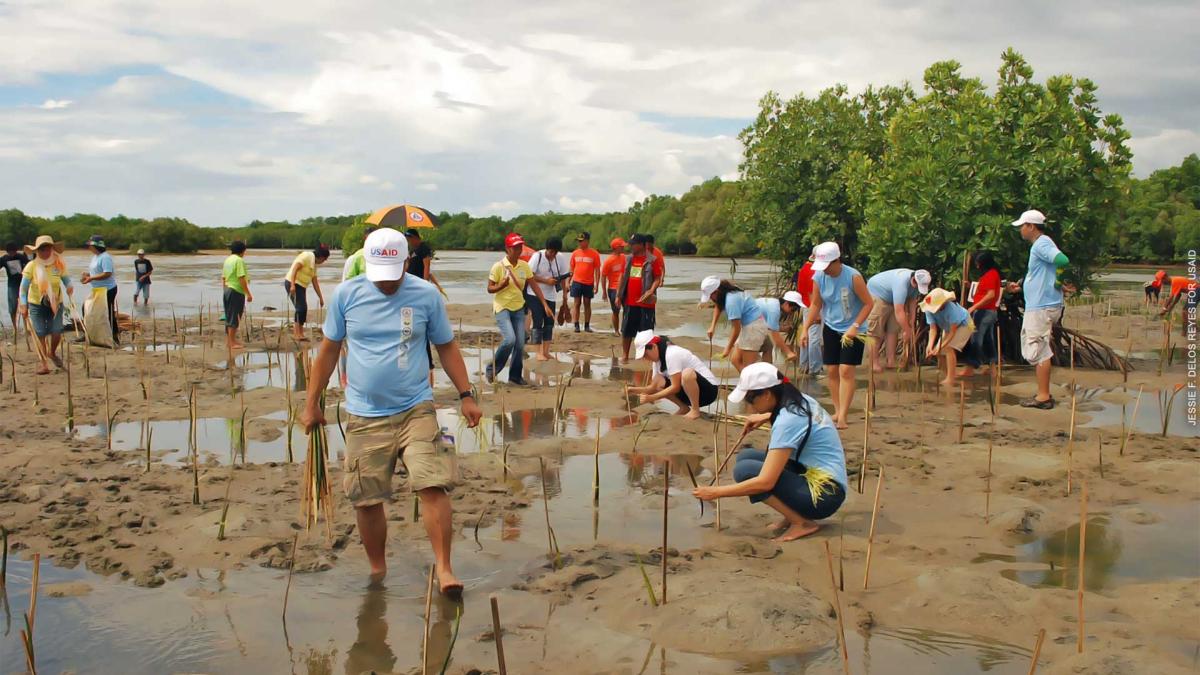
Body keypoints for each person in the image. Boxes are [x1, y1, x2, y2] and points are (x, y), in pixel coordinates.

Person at [300, 227, 482, 593]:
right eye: (379, 276)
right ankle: (377, 570)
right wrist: (311, 404)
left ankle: (445, 570)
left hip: (416, 407)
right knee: (366, 499)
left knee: (432, 485)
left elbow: (446, 346)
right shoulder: (347, 295)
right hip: (364, 415)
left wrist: (466, 394)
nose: (386, 284)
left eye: (393, 275)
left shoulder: (426, 295)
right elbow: (329, 350)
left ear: (405, 264)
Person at [692, 362, 848, 542]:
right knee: (746, 457)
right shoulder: (799, 399)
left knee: (746, 471)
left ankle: (801, 522)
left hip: (824, 495)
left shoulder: (787, 421)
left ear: (766, 394)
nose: (749, 406)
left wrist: (715, 493)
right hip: (821, 478)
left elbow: (765, 483)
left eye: (751, 400)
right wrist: (766, 416)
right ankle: (791, 514)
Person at [798, 241, 873, 429]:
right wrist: (805, 328)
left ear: (836, 261)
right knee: (831, 370)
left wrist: (855, 326)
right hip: (831, 325)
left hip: (854, 329)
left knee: (846, 370)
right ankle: (837, 410)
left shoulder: (853, 277)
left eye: (827, 266)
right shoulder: (819, 277)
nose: (824, 270)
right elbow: (816, 304)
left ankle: (843, 416)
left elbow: (868, 303)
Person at [1006, 209, 1070, 409]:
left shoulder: (1041, 243)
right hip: (1041, 304)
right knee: (1035, 347)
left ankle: (1043, 397)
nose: (1020, 231)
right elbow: (1041, 272)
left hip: (1042, 306)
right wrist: (1022, 285)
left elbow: (1062, 261)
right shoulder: (1042, 244)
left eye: (1022, 227)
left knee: (1037, 350)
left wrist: (1059, 282)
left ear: (1031, 226)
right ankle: (1043, 394)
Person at [486, 233, 542, 385]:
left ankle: (515, 376)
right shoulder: (498, 266)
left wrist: (543, 304)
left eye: (520, 247)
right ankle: (492, 369)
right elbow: (490, 288)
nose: (518, 250)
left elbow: (534, 285)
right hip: (502, 307)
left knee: (519, 343)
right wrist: (501, 286)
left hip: (518, 307)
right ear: (507, 249)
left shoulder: (524, 265)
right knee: (510, 339)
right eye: (515, 248)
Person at [628, 330, 720, 419]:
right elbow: (653, 387)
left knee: (687, 374)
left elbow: (676, 387)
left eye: (645, 355)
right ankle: (684, 408)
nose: (646, 359)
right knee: (658, 380)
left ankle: (695, 411)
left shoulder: (672, 354)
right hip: (689, 393)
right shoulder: (657, 362)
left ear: (654, 347)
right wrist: (633, 390)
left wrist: (652, 397)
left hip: (708, 392)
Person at [17, 235, 72, 374]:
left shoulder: (58, 264)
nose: (45, 252)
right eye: (41, 249)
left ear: (52, 249)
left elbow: (66, 280)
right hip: (36, 303)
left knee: (57, 331)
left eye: (47, 248)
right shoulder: (32, 265)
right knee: (40, 333)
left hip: (56, 303)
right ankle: (44, 364)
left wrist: (70, 287)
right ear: (37, 251)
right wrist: (23, 305)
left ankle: (52, 352)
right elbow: (23, 288)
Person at [865, 267, 931, 372]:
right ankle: (874, 363)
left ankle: (890, 361)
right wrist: (907, 330)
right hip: (877, 294)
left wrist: (912, 320)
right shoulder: (901, 283)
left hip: (893, 299)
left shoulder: (915, 285)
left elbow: (913, 301)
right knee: (876, 331)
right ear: (913, 279)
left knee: (893, 330)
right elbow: (899, 311)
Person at [700, 276, 769, 372]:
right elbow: (718, 305)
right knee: (735, 360)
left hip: (754, 328)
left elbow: (736, 329)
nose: (711, 299)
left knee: (749, 369)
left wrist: (727, 349)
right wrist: (712, 327)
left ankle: (754, 384)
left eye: (711, 296)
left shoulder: (731, 301)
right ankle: (749, 382)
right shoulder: (728, 291)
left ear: (717, 291)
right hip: (751, 325)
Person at [617, 234, 664, 361]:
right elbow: (622, 277)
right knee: (626, 330)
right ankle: (625, 355)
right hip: (630, 302)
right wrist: (618, 295)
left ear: (642, 245)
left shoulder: (652, 259)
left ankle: (646, 356)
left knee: (646, 332)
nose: (631, 246)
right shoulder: (628, 260)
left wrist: (651, 290)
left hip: (646, 302)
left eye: (633, 244)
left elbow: (658, 277)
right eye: (630, 244)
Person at [921, 288, 977, 388]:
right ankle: (949, 374)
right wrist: (930, 345)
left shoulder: (951, 309)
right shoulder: (928, 309)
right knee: (937, 351)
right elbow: (933, 329)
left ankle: (950, 378)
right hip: (948, 327)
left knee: (948, 348)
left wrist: (941, 345)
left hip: (965, 323)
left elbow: (952, 332)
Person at [526, 237, 570, 362]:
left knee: (549, 322)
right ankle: (538, 352)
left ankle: (546, 352)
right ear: (547, 249)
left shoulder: (560, 258)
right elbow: (530, 275)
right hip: (533, 293)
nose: (552, 255)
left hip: (550, 295)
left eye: (555, 253)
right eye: (551, 252)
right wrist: (546, 281)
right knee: (538, 321)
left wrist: (565, 295)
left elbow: (562, 277)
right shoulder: (537, 256)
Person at [964, 252, 1002, 373]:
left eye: (978, 263)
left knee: (976, 338)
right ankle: (992, 367)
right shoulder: (990, 275)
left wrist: (974, 307)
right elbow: (982, 292)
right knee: (987, 339)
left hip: (984, 311)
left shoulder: (990, 275)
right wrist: (970, 286)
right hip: (989, 311)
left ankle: (971, 367)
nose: (977, 266)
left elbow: (990, 295)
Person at [284, 244, 330, 341]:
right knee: (300, 308)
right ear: (321, 257)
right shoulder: (307, 256)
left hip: (301, 286)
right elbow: (295, 268)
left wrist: (321, 297)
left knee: (303, 309)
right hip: (293, 283)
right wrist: (292, 285)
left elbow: (315, 282)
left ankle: (300, 333)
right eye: (325, 259)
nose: (324, 262)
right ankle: (297, 334)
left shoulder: (314, 265)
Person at [80, 234, 119, 344]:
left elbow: (107, 273)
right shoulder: (95, 257)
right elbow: (97, 271)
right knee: (86, 308)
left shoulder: (105, 257)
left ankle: (114, 336)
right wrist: (87, 274)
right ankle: (87, 333)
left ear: (96, 246)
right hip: (97, 289)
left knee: (108, 313)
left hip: (108, 289)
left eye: (90, 245)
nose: (89, 247)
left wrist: (90, 278)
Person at [794, 248, 823, 376]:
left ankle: (804, 365)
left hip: (805, 306)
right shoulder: (813, 271)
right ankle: (815, 368)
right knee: (814, 338)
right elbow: (812, 293)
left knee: (807, 336)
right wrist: (816, 313)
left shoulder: (804, 268)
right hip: (812, 306)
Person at [755, 291, 803, 363]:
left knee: (768, 347)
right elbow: (776, 337)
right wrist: (788, 353)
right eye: (793, 310)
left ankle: (768, 371)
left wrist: (783, 328)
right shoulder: (774, 310)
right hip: (750, 325)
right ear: (786, 303)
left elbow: (770, 326)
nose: (792, 312)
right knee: (752, 352)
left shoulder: (775, 303)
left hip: (753, 324)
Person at [221, 240, 253, 351]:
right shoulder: (239, 261)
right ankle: (232, 342)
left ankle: (230, 341)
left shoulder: (227, 260)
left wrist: (225, 290)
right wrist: (248, 293)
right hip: (236, 291)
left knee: (229, 316)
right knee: (235, 316)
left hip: (227, 290)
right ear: (242, 251)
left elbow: (224, 278)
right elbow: (241, 278)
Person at [569, 231, 602, 333]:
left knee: (587, 303)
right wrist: (568, 282)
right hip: (576, 282)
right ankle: (576, 325)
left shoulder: (594, 254)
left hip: (588, 283)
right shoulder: (575, 253)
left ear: (587, 241)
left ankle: (587, 325)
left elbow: (597, 270)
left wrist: (597, 284)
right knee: (576, 303)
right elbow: (571, 269)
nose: (580, 243)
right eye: (579, 241)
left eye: (582, 241)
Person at [600, 238, 626, 335]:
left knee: (627, 310)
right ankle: (616, 331)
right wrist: (603, 292)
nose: (623, 247)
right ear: (616, 248)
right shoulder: (609, 261)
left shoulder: (624, 257)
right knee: (616, 311)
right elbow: (603, 276)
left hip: (624, 287)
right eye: (621, 246)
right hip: (613, 289)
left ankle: (624, 329)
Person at [2, 242, 30, 331]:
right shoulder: (4, 259)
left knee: (25, 305)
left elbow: (30, 266)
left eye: (13, 252)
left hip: (23, 283)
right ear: (7, 252)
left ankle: (27, 327)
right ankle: (15, 328)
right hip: (12, 285)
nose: (12, 254)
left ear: (16, 251)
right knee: (13, 307)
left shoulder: (21, 257)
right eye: (10, 252)